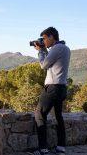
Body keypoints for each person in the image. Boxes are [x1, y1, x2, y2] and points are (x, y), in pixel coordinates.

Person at [32, 27, 70, 155]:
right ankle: (61, 147)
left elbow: (44, 65)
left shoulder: (57, 48)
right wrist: (44, 49)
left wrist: (41, 51)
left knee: (39, 114)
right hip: (62, 88)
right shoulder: (65, 48)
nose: (43, 41)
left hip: (53, 87)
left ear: (51, 37)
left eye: (44, 38)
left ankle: (43, 149)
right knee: (58, 116)